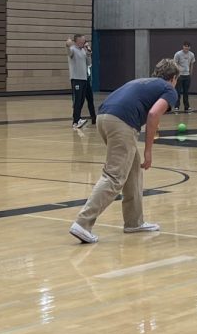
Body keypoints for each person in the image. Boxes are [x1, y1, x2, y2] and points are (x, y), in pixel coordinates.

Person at [69, 59, 179, 244]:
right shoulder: (169, 90)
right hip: (121, 123)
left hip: (104, 118)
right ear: (174, 78)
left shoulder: (143, 82)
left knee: (133, 170)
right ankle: (82, 223)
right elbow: (153, 115)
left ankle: (134, 222)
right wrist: (149, 151)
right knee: (114, 176)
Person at [66, 34, 96, 130]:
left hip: (84, 79)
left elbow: (89, 63)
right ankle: (75, 121)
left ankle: (80, 119)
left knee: (82, 99)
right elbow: (69, 52)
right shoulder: (73, 49)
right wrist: (67, 45)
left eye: (84, 41)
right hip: (76, 78)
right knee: (77, 100)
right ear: (77, 41)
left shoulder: (83, 50)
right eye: (82, 41)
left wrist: (88, 53)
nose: (83, 42)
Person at [173, 41, 195, 114]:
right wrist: (176, 74)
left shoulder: (191, 54)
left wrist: (190, 73)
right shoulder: (178, 54)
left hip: (187, 75)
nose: (186, 47)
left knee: (186, 92)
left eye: (188, 46)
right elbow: (175, 64)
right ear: (183, 46)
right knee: (178, 91)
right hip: (180, 75)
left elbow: (191, 64)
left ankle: (187, 107)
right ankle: (176, 106)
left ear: (189, 47)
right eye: (185, 46)